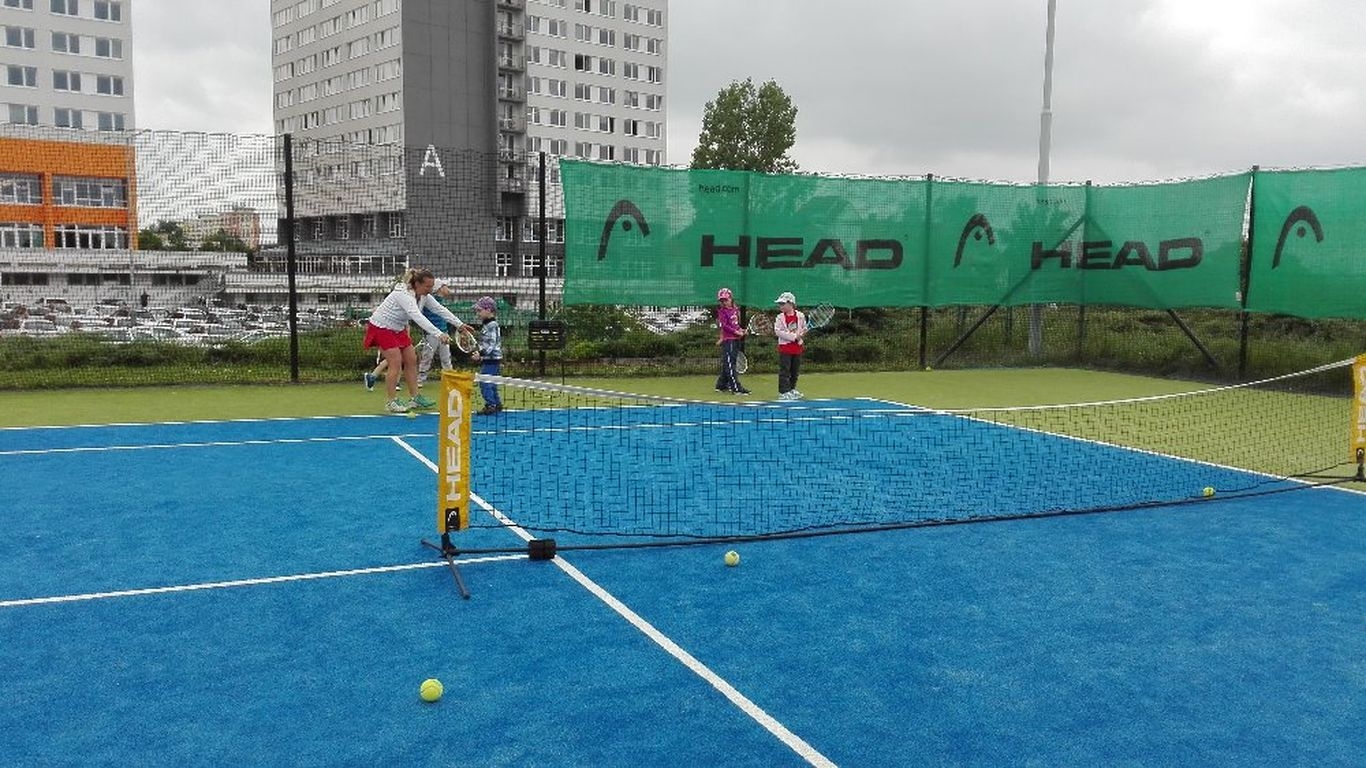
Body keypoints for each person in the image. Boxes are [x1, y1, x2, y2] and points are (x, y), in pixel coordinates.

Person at [363, 268, 470, 413]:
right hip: (381, 327)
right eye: (427, 286)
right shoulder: (404, 295)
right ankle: (391, 402)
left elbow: (439, 309)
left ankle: (415, 398)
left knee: (411, 359)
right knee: (395, 362)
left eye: (432, 286)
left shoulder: (425, 295)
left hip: (398, 328)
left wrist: (460, 325)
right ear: (417, 284)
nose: (430, 289)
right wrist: (439, 334)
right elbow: (417, 317)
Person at [416, 279, 456, 387]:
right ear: (440, 288)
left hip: (444, 333)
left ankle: (450, 379)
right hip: (431, 334)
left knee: (446, 358)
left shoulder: (442, 301)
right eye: (445, 286)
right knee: (427, 356)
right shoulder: (428, 300)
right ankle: (420, 379)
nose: (448, 288)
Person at [470, 296, 504, 415]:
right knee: (491, 382)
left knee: (484, 382)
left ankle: (491, 404)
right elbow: (486, 343)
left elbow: (492, 344)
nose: (477, 314)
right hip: (489, 359)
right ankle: (497, 404)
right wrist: (480, 353)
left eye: (479, 311)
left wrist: (481, 353)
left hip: (492, 360)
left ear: (488, 310)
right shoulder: (487, 325)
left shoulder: (492, 325)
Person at [713, 287, 750, 395]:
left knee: (729, 363)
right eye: (722, 300)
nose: (724, 302)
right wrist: (736, 332)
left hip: (735, 340)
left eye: (726, 299)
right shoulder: (722, 312)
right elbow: (725, 326)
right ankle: (736, 388)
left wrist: (741, 330)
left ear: (731, 299)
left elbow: (735, 325)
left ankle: (721, 385)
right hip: (728, 341)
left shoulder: (735, 310)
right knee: (730, 365)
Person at [772, 291, 807, 401]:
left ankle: (792, 389)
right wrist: (793, 336)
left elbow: (804, 328)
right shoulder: (779, 317)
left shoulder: (800, 316)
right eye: (780, 304)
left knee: (794, 371)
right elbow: (778, 331)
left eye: (783, 304)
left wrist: (802, 334)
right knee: (785, 370)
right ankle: (783, 392)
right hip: (785, 348)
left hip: (797, 348)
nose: (780, 306)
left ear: (791, 304)